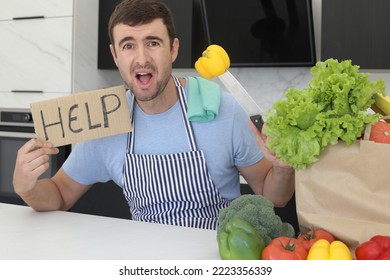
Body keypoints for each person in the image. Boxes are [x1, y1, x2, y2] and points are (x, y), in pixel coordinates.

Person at [13, 0, 294, 230]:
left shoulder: (223, 109)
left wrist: (282, 169)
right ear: (115, 55)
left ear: (173, 49)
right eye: (128, 45)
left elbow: (275, 198)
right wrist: (27, 188)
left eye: (153, 42)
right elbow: (60, 195)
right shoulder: (105, 120)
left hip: (218, 255)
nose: (142, 58)